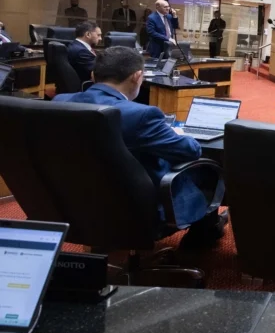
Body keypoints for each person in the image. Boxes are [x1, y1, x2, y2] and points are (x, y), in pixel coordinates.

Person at [53, 47, 227, 246]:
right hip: (135, 207)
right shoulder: (141, 115)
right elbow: (191, 151)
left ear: (93, 75)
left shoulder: (60, 103)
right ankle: (202, 238)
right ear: (137, 77)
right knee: (210, 169)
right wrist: (177, 134)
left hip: (74, 203)